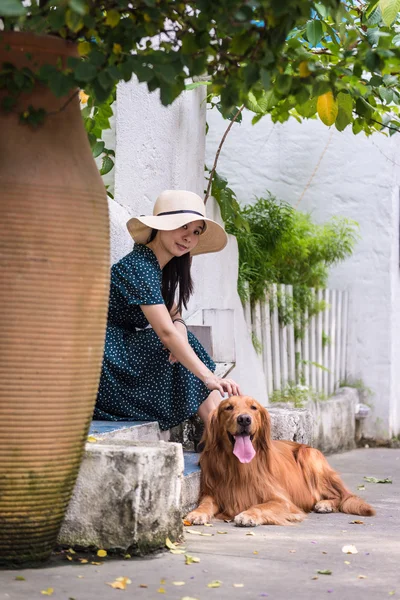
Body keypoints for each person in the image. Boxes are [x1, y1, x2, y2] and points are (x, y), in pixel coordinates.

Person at [94, 189, 241, 431]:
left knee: (183, 346)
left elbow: (174, 315)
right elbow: (164, 332)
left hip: (118, 349)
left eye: (196, 232)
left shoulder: (156, 266)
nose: (188, 238)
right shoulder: (140, 266)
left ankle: (219, 431)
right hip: (103, 360)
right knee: (179, 349)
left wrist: (180, 330)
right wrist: (209, 377)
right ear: (161, 226)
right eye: (182, 227)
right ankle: (220, 432)